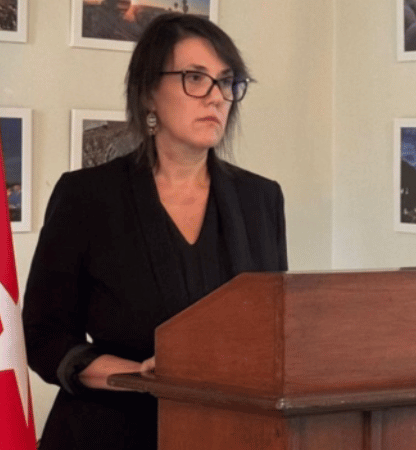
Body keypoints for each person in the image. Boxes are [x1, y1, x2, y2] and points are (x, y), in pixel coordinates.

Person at [23, 13, 288, 450]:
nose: (216, 97)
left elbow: (273, 330)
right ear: (148, 93)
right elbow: (44, 337)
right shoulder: (86, 196)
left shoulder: (261, 199)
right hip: (107, 433)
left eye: (226, 81)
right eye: (195, 78)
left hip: (227, 434)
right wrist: (137, 375)